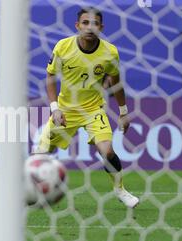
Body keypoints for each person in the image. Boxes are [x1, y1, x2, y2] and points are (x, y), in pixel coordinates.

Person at [35, 7, 139, 208]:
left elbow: (116, 83)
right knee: (39, 155)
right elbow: (50, 77)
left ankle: (120, 190)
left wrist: (123, 112)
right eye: (85, 23)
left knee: (107, 151)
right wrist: (55, 108)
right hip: (65, 111)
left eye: (94, 23)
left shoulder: (110, 53)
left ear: (101, 27)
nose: (89, 27)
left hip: (93, 110)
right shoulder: (63, 48)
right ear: (77, 26)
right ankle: (31, 192)